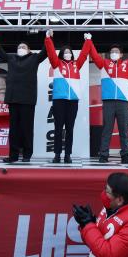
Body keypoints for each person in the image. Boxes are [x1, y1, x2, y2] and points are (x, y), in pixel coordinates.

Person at [44, 31, 92, 163]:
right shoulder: (56, 63)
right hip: (59, 100)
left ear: (72, 54)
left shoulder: (77, 65)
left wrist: (88, 40)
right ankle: (57, 154)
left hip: (73, 101)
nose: (68, 54)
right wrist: (48, 38)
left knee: (70, 128)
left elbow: (83, 54)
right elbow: (51, 52)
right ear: (62, 54)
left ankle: (67, 155)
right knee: (58, 128)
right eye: (65, 52)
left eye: (69, 52)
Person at [0, 41, 48, 163]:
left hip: (27, 99)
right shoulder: (11, 58)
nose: (21, 48)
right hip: (13, 98)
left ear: (29, 49)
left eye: (23, 47)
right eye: (19, 47)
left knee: (26, 128)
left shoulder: (34, 58)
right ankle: (13, 155)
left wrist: (48, 38)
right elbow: (0, 53)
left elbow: (45, 52)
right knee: (13, 129)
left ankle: (27, 154)